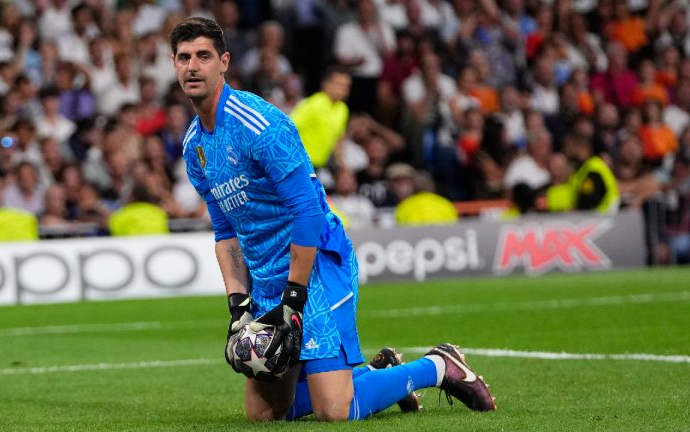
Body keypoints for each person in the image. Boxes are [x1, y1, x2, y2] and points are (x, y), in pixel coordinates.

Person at [169, 17, 496, 422]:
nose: (192, 66)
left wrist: (294, 298)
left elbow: (307, 212)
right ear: (174, 64)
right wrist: (239, 309)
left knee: (335, 411)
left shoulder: (260, 124)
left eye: (203, 56)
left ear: (224, 62)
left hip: (316, 264)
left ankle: (437, 366)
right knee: (266, 415)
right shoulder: (194, 146)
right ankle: (373, 374)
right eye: (184, 58)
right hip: (266, 276)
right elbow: (225, 233)